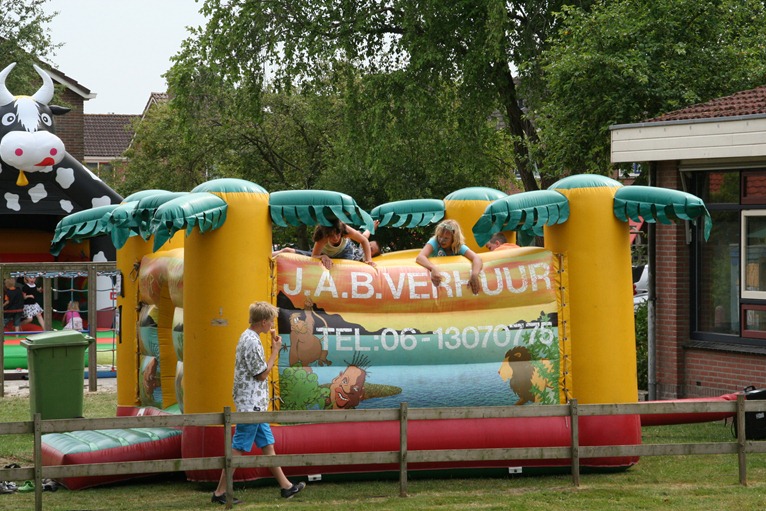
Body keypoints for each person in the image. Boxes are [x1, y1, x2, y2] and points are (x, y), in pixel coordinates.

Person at [212, 301, 305, 505]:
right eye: (270, 320)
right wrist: (275, 350)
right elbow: (261, 374)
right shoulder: (252, 342)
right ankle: (220, 492)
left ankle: (286, 487)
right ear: (263, 322)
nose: (272, 324)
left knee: (267, 445)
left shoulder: (247, 336)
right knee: (238, 447)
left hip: (255, 403)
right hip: (251, 404)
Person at [415, 219, 483, 295]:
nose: (441, 240)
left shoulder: (458, 246)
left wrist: (474, 275)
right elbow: (420, 257)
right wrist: (433, 268)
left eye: (446, 238)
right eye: (440, 236)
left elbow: (477, 258)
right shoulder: (434, 242)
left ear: (454, 239)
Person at [311, 219, 377, 270]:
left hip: (345, 250)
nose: (335, 238)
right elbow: (314, 255)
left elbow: (364, 240)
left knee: (360, 240)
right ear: (327, 234)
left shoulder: (344, 229)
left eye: (337, 234)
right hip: (327, 253)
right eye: (331, 236)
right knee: (359, 235)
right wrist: (323, 256)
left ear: (341, 231)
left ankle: (370, 228)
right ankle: (369, 228)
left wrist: (369, 260)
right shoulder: (322, 236)